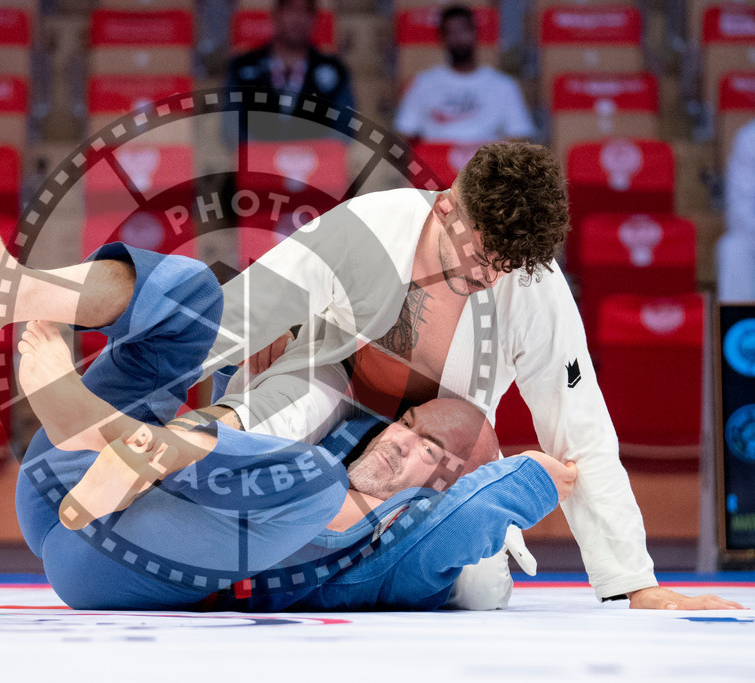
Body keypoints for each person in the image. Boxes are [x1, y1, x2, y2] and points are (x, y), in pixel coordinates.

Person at [0, 196, 577, 611]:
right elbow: (253, 390)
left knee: (317, 485)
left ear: (442, 488)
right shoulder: (334, 431)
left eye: (427, 450)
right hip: (58, 484)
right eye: (408, 424)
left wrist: (539, 478)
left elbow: (471, 528)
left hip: (110, 566)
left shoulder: (401, 553)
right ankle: (14, 291)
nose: (397, 438)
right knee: (201, 298)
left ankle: (103, 433)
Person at [198, 141, 743, 611]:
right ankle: (172, 498)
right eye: (482, 254)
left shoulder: (534, 286)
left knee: (480, 586)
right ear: (446, 207)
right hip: (329, 395)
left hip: (432, 458)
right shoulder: (370, 228)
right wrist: (138, 390)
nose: (489, 275)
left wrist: (633, 582)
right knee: (277, 417)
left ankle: (326, 568)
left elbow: (580, 428)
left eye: (507, 264)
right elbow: (238, 313)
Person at [393, 5, 535, 146]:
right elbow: (403, 132)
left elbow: (521, 135)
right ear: (442, 38)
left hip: (488, 164)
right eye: (451, 32)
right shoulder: (422, 83)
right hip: (434, 164)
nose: (459, 38)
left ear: (475, 32)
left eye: (464, 30)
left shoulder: (504, 85)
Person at [226, 0, 355, 140]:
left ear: (315, 19)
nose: (297, 19)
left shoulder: (334, 69)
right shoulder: (243, 66)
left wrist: (313, 154)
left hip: (318, 158)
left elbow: (345, 126)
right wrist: (264, 154)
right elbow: (231, 125)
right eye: (291, 10)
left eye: (305, 12)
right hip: (257, 157)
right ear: (276, 14)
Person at [717, 118, 755, 302]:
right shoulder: (750, 138)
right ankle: (742, 327)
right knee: (734, 249)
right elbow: (739, 211)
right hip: (752, 234)